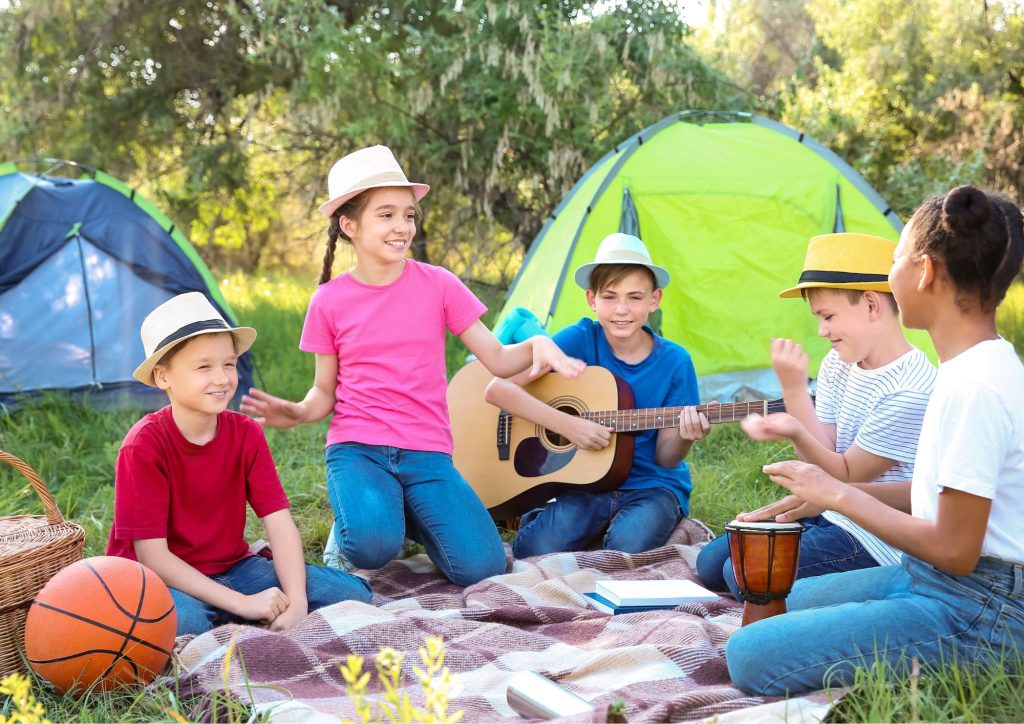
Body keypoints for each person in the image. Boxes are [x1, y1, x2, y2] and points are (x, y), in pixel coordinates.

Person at [726, 185, 1024, 695]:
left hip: (984, 609)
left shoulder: (975, 388)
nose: (889, 275)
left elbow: (956, 548)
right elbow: (936, 495)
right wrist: (820, 491)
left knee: (748, 653)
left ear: (924, 272)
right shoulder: (972, 363)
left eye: (895, 259)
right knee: (780, 601)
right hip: (930, 576)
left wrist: (840, 494)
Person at [240, 145, 585, 586]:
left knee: (481, 568)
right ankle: (368, 521)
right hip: (358, 450)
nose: (402, 227)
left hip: (427, 453)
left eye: (408, 215)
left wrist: (538, 344)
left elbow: (497, 359)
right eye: (386, 215)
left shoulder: (438, 284)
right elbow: (323, 393)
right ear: (350, 225)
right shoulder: (328, 301)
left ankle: (405, 511)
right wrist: (299, 411)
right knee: (371, 547)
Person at [106, 292, 372, 636]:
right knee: (182, 623)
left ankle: (239, 614)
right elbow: (153, 557)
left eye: (229, 364)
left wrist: (297, 603)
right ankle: (238, 612)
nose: (222, 378)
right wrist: (240, 602)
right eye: (204, 366)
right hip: (163, 577)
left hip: (232, 566)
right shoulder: (143, 446)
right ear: (163, 377)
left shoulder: (245, 433)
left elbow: (279, 523)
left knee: (352, 593)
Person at [695, 233, 936, 599]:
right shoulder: (840, 365)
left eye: (828, 317)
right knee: (709, 565)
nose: (822, 331)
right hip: (831, 508)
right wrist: (797, 426)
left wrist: (794, 399)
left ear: (872, 306)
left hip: (876, 536)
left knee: (740, 574)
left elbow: (845, 473)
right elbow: (825, 457)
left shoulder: (909, 389)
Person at [485, 233, 711, 557]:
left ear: (654, 299)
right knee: (533, 549)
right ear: (592, 300)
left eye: (635, 297)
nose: (622, 309)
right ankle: (548, 517)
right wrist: (567, 425)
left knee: (625, 551)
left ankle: (605, 533)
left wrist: (687, 437)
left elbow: (666, 458)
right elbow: (498, 389)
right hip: (586, 483)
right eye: (610, 297)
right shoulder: (579, 339)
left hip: (652, 487)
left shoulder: (675, 362)